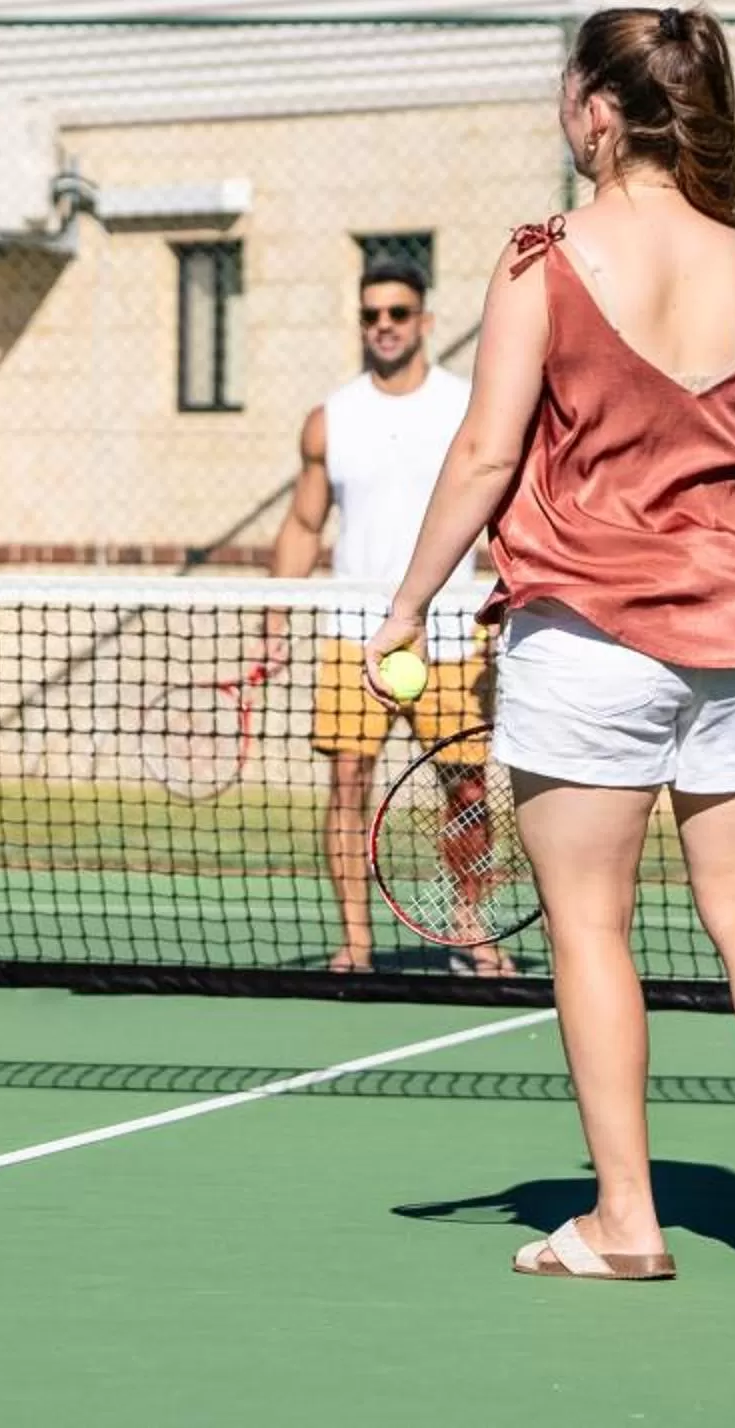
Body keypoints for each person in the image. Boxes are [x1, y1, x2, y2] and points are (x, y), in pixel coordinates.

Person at [363, 5, 735, 1283]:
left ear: (594, 109)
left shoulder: (545, 261)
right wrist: (727, 543)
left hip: (587, 637)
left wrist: (407, 605)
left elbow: (483, 451)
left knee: (591, 926)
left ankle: (626, 1224)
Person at [262, 258, 499, 975]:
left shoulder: (470, 407)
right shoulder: (330, 419)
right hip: (351, 637)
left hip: (452, 636)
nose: (384, 327)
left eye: (398, 313)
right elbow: (304, 525)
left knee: (467, 788)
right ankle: (357, 945)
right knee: (348, 787)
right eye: (371, 315)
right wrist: (273, 619)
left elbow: (502, 502)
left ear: (424, 321)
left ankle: (471, 930)